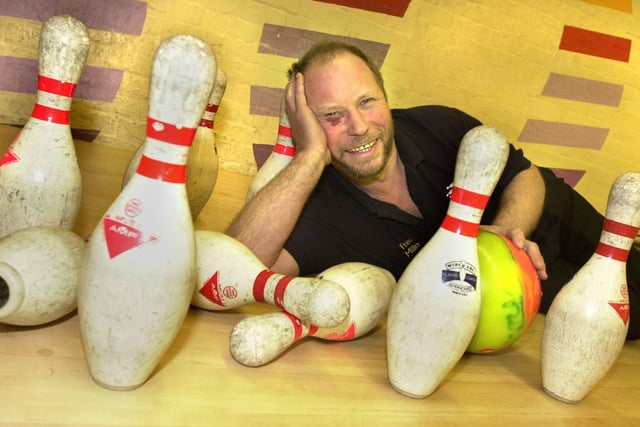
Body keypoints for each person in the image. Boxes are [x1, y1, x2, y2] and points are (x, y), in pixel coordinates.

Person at [227, 40, 640, 339]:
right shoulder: (321, 210)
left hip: (548, 214)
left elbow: (524, 174)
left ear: (387, 99)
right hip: (518, 281)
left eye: (367, 102)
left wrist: (506, 230)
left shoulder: (439, 125)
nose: (358, 126)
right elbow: (233, 269)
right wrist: (309, 156)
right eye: (332, 116)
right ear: (307, 125)